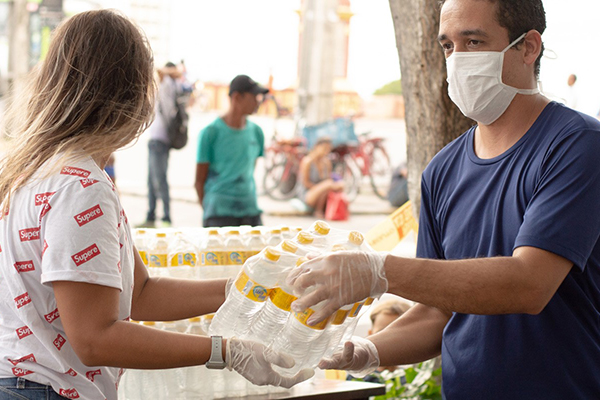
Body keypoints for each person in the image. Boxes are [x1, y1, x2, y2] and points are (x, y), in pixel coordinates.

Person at [286, 0, 600, 398]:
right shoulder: (442, 170)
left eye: (473, 41)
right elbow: (439, 311)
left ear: (528, 47)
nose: (457, 59)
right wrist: (361, 351)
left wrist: (379, 271)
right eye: (448, 46)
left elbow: (528, 285)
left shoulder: (577, 146)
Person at [0, 11, 311, 400]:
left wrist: (244, 287)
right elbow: (95, 338)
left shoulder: (37, 168)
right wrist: (225, 350)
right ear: (132, 95)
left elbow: (140, 293)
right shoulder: (80, 187)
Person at [195, 74, 268, 227]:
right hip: (218, 213)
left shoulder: (257, 132)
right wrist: (209, 208)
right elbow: (199, 180)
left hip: (250, 210)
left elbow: (249, 170)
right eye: (254, 97)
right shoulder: (211, 133)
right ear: (237, 97)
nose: (258, 102)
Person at [140, 62, 183, 228]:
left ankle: (166, 217)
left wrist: (168, 72)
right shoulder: (170, 85)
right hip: (156, 139)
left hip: (160, 139)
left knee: (160, 179)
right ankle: (151, 214)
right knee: (152, 179)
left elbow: (158, 69)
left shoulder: (168, 84)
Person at [297, 137, 344, 218]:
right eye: (325, 148)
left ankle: (319, 210)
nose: (327, 151)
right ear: (317, 146)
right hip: (308, 194)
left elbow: (328, 181)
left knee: (335, 185)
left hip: (322, 193)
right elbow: (306, 183)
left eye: (329, 149)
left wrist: (322, 188)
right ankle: (318, 210)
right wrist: (319, 188)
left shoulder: (327, 162)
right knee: (328, 184)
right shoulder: (307, 161)